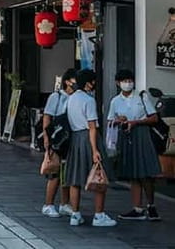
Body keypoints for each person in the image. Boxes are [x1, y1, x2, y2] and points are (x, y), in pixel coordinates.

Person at [108, 69, 162, 221]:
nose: (128, 83)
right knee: (133, 174)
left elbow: (154, 118)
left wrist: (136, 122)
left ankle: (151, 206)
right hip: (127, 137)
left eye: (130, 80)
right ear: (118, 83)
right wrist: (120, 121)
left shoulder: (141, 96)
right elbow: (110, 120)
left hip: (142, 135)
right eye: (125, 81)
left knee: (146, 173)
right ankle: (137, 208)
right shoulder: (115, 101)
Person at [65, 69, 116, 227]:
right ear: (88, 83)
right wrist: (95, 150)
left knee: (75, 177)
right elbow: (92, 126)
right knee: (99, 175)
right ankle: (99, 215)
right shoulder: (89, 100)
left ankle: (75, 214)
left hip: (75, 138)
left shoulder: (70, 99)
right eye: (93, 81)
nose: (94, 84)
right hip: (88, 138)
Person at [41, 68, 76, 219]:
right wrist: (46, 138)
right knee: (54, 171)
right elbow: (47, 117)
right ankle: (48, 204)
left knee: (67, 171)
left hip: (70, 138)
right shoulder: (56, 97)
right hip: (57, 137)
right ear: (67, 81)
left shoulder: (77, 97)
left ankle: (64, 203)